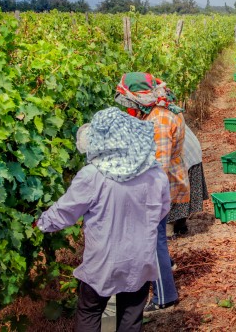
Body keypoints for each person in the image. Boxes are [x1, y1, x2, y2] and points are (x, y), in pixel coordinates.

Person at [35, 107, 170, 332]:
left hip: (103, 261)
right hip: (140, 259)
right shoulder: (155, 173)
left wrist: (41, 223)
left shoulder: (93, 175)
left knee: (90, 311)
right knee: (130, 318)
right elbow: (162, 211)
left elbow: (66, 211)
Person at [115, 72, 189, 313]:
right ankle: (167, 265)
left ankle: (165, 296)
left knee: (153, 239)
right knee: (156, 237)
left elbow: (158, 166)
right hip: (160, 184)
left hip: (158, 187)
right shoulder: (157, 112)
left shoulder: (159, 120)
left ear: (139, 98)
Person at [170, 123, 209, 235]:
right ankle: (180, 226)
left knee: (177, 192)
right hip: (190, 150)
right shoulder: (166, 114)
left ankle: (173, 226)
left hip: (185, 154)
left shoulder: (156, 119)